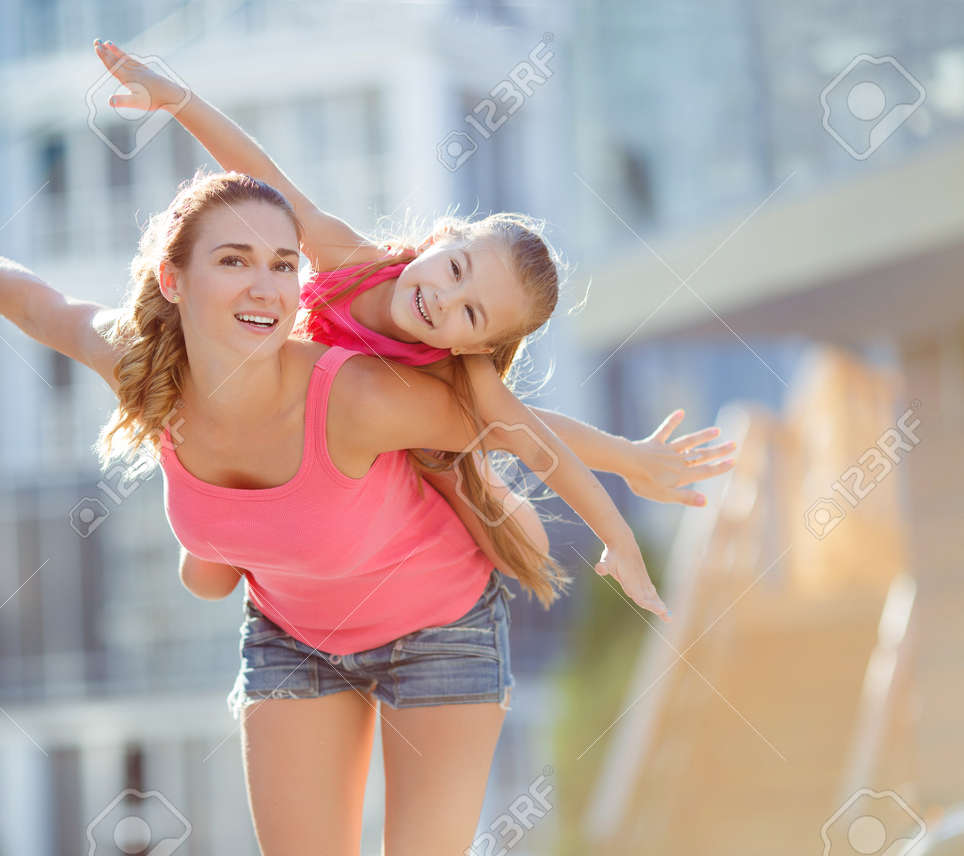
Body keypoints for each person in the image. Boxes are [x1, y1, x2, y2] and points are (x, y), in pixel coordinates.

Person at [0, 162, 714, 856]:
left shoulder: (356, 395)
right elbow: (48, 310)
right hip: (294, 635)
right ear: (174, 277)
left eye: (281, 262)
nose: (267, 282)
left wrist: (631, 474)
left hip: (441, 626)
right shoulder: (142, 369)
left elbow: (525, 434)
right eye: (233, 259)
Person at [93, 40, 736, 608]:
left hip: (398, 458)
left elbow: (541, 441)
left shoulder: (466, 375)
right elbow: (265, 179)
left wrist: (620, 522)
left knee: (511, 517)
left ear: (479, 344)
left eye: (470, 315)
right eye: (454, 270)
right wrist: (176, 99)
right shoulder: (352, 263)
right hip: (288, 434)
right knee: (204, 577)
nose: (444, 300)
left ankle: (479, 519)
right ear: (440, 238)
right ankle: (226, 530)